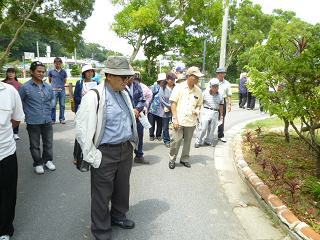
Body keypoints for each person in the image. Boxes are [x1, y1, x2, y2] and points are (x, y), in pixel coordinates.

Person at [75, 56, 138, 240]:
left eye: (127, 77)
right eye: (122, 77)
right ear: (109, 76)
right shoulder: (94, 97)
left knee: (122, 188)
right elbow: (81, 129)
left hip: (125, 149)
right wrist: (93, 155)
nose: (126, 81)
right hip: (105, 152)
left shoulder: (123, 93)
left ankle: (118, 216)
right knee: (102, 194)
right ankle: (101, 230)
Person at [19, 61, 55, 174]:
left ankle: (47, 160)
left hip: (47, 120)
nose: (41, 74)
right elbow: (19, 102)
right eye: (39, 71)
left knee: (48, 142)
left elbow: (52, 99)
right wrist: (27, 112)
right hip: (33, 121)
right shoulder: (25, 87)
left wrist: (49, 111)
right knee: (34, 144)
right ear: (32, 72)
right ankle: (38, 163)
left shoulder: (48, 87)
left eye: (43, 72)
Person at [0, 81, 24, 240]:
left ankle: (4, 229)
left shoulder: (9, 91)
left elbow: (16, 119)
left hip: (5, 152)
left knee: (7, 194)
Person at [168, 66, 203, 169]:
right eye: (196, 77)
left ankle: (184, 159)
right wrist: (175, 118)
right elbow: (173, 103)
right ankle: (172, 159)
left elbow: (199, 104)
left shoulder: (198, 91)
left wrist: (197, 109)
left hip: (191, 121)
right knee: (175, 141)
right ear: (190, 76)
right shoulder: (179, 87)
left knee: (187, 142)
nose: (198, 79)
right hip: (178, 120)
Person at [195, 78, 224, 148]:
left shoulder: (220, 95)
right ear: (210, 86)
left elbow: (221, 105)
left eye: (217, 86)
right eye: (214, 86)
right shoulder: (205, 93)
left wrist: (221, 115)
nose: (215, 88)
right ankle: (198, 141)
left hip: (215, 112)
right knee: (203, 127)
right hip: (206, 110)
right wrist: (199, 112)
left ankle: (208, 140)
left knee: (212, 128)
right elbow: (200, 102)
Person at [126, 73, 147, 164]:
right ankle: (126, 159)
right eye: (129, 76)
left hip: (138, 116)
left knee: (139, 135)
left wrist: (137, 109)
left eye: (132, 76)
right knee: (126, 137)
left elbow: (142, 99)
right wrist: (131, 111)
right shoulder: (121, 85)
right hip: (125, 117)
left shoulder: (137, 85)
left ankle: (139, 155)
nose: (131, 78)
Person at [2, 68, 22, 140]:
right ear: (6, 74)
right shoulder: (3, 83)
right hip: (4, 104)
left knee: (16, 117)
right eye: (9, 72)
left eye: (12, 72)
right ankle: (6, 133)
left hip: (14, 104)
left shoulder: (18, 84)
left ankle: (15, 133)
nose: (11, 74)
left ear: (15, 74)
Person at [159, 72, 176, 148]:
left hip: (174, 110)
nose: (172, 81)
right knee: (165, 126)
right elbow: (161, 100)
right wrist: (169, 106)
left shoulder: (176, 88)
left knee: (175, 125)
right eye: (171, 79)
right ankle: (166, 140)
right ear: (167, 79)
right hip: (165, 110)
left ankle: (175, 139)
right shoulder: (162, 88)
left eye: (173, 79)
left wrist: (173, 107)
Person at [48, 57, 67, 124]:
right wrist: (54, 86)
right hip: (54, 90)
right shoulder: (51, 71)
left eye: (59, 64)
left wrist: (60, 86)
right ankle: (53, 119)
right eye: (56, 64)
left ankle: (62, 119)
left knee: (62, 105)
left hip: (62, 90)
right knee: (53, 105)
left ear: (61, 64)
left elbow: (64, 81)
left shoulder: (64, 72)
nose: (57, 65)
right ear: (54, 63)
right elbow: (50, 80)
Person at [216, 67, 232, 143]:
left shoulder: (227, 83)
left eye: (223, 73)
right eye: (220, 73)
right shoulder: (213, 81)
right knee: (211, 118)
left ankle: (220, 135)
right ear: (217, 74)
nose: (221, 75)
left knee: (221, 118)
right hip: (213, 101)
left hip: (222, 102)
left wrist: (229, 104)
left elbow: (229, 95)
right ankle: (208, 135)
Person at [148, 73, 165, 141]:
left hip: (161, 108)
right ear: (159, 81)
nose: (164, 82)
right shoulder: (154, 86)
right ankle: (151, 135)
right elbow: (149, 97)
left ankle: (158, 135)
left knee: (160, 123)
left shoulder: (166, 88)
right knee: (151, 123)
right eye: (162, 80)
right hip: (153, 108)